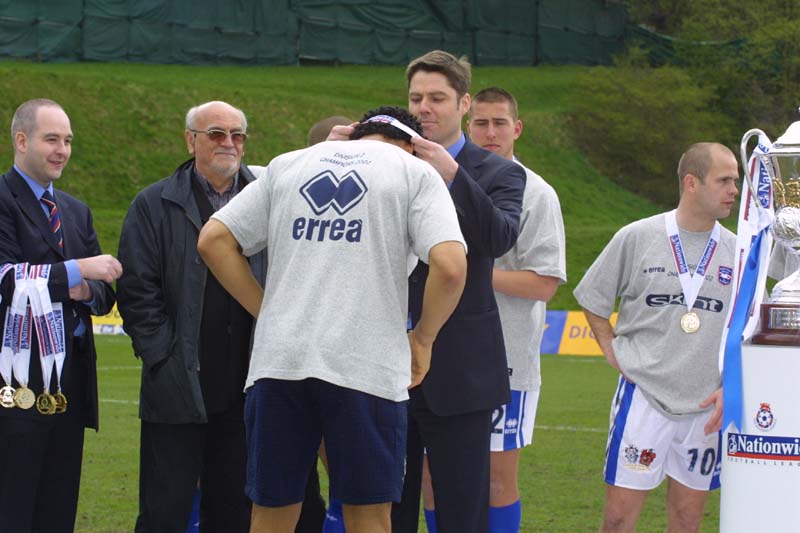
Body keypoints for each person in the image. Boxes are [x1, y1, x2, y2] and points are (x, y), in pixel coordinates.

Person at [196, 106, 468, 533]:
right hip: (366, 367)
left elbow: (213, 240)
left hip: (278, 364)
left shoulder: (289, 164)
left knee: (271, 513)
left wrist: (266, 310)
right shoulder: (414, 172)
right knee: (369, 516)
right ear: (412, 145)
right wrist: (424, 339)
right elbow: (451, 266)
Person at [418, 86, 567, 533]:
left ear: (516, 128)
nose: (490, 132)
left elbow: (544, 282)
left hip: (506, 360)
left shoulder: (536, 192)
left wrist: (463, 271)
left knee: (497, 479)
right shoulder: (437, 178)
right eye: (481, 123)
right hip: (442, 355)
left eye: (499, 123)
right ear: (467, 125)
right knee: (430, 478)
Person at [117, 101, 269, 533]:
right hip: (178, 382)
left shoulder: (267, 197)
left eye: (237, 135)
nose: (229, 143)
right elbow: (136, 291)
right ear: (191, 140)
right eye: (216, 133)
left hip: (249, 383)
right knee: (165, 510)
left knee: (235, 512)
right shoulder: (154, 203)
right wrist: (162, 357)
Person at [392, 50, 526, 533]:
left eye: (437, 98)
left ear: (464, 103)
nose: (423, 107)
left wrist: (452, 175)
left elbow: (496, 239)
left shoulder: (498, 173)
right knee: (386, 502)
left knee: (462, 509)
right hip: (384, 361)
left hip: (460, 366)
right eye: (415, 98)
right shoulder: (387, 162)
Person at [574, 142, 739, 532]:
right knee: (617, 519)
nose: (734, 189)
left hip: (706, 406)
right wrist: (610, 347)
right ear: (691, 183)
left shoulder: (739, 250)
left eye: (736, 180)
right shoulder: (638, 236)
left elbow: (749, 330)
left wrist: (733, 384)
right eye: (725, 180)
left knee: (686, 519)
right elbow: (593, 297)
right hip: (643, 399)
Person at [0, 98, 121, 533]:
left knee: (58, 506)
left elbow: (105, 293)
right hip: (15, 385)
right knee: (13, 506)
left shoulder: (75, 210)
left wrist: (85, 286)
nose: (62, 150)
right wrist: (76, 271)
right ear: (21, 140)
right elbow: (4, 279)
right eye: (52, 139)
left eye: (68, 141)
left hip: (69, 382)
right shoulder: (2, 199)